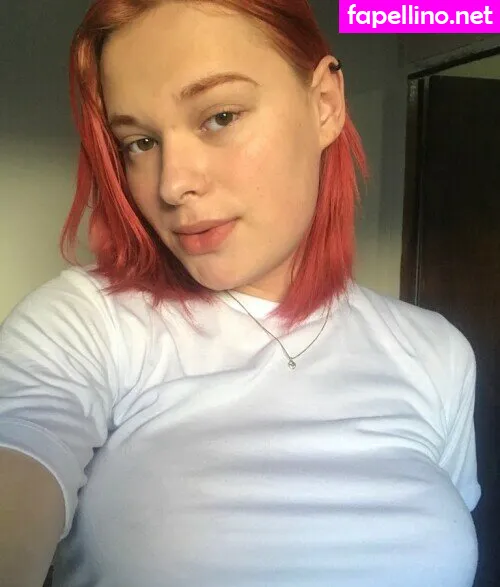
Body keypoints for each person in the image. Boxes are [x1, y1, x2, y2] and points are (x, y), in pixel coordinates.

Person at [0, 0, 481, 586]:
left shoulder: (436, 353)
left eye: (220, 116)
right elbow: (24, 449)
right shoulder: (86, 324)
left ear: (324, 104)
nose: (173, 184)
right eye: (140, 143)